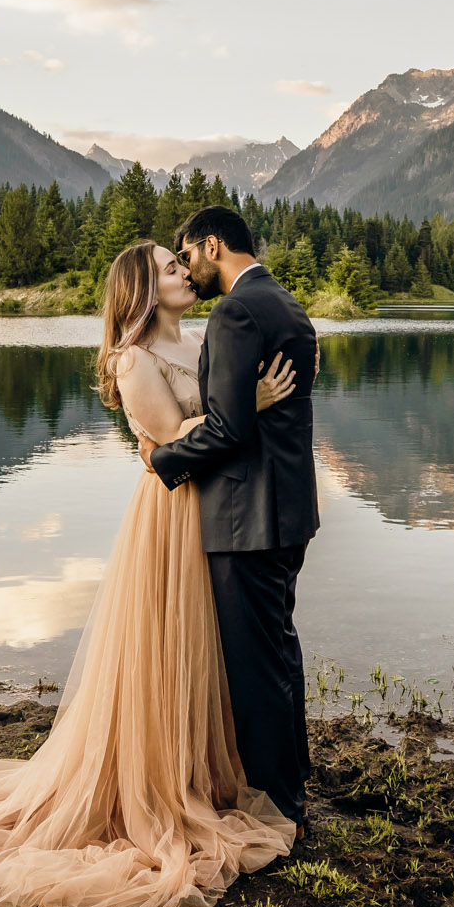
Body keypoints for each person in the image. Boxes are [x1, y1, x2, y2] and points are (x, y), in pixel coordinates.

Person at [0, 239, 300, 907]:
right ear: (141, 290)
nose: (185, 272)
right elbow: (171, 446)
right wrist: (251, 406)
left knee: (210, 652)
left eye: (184, 263)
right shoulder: (133, 360)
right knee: (166, 648)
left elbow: (211, 426)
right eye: (168, 267)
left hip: (217, 512)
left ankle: (208, 774)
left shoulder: (202, 344)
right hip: (172, 517)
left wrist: (243, 404)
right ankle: (159, 787)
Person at [141, 204, 319, 836]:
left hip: (247, 517)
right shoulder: (287, 304)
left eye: (187, 254)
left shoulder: (236, 312)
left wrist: (164, 459)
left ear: (212, 246)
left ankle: (280, 806)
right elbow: (254, 415)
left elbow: (227, 429)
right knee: (280, 654)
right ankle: (294, 787)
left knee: (254, 667)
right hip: (289, 510)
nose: (187, 267)